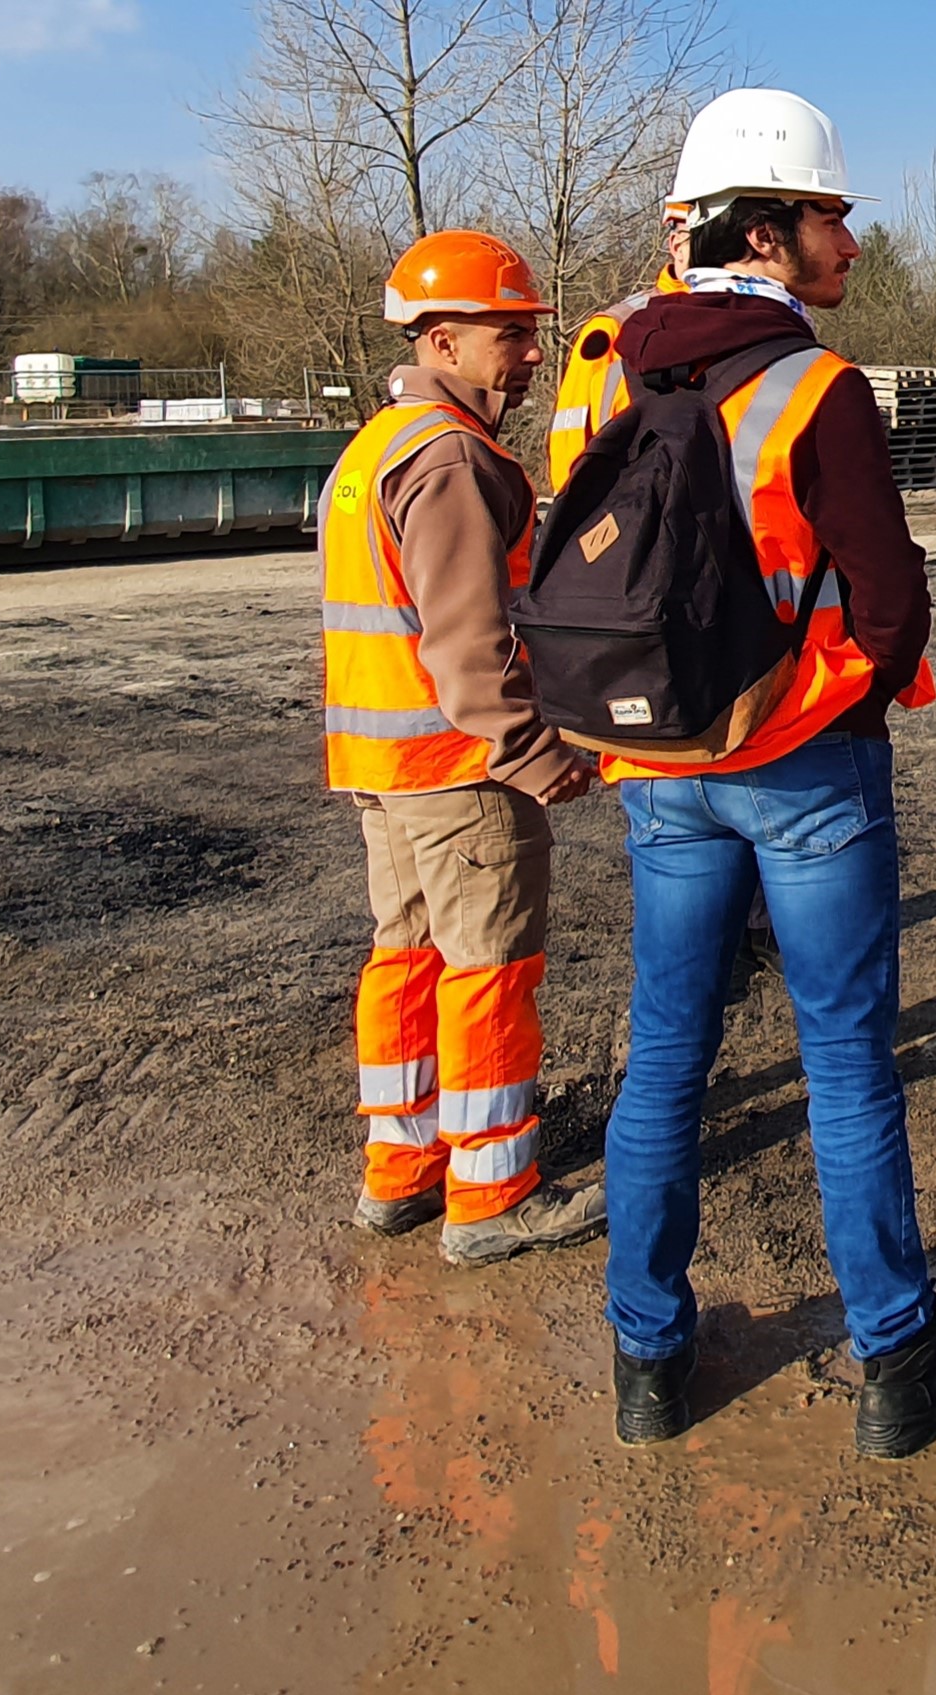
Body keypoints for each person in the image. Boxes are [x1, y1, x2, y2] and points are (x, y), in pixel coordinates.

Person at [597, 87, 936, 1459]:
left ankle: (646, 1359)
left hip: (661, 762)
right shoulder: (812, 387)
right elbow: (890, 603)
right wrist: (844, 701)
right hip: (806, 768)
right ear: (766, 234)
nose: (849, 243)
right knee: (842, 1059)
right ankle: (898, 1356)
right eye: (832, 217)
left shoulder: (615, 365)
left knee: (664, 1054)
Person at [323, 231, 610, 1267]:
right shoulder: (448, 459)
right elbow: (466, 645)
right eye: (508, 334)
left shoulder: (377, 447)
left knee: (404, 958)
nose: (531, 352)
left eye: (529, 333)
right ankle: (492, 1194)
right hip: (459, 771)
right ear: (441, 339)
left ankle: (400, 1171)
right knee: (489, 967)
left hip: (386, 767)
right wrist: (540, 756)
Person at [545, 205, 690, 491]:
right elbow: (569, 445)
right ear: (677, 247)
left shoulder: (761, 323)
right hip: (629, 518)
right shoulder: (613, 330)